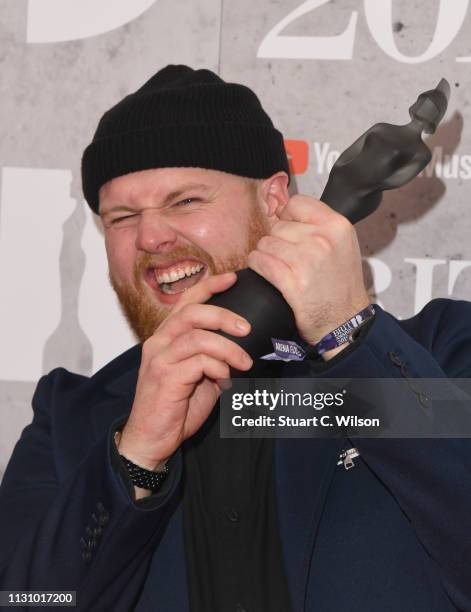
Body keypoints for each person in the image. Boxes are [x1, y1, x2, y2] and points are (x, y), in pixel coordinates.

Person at [0, 65, 470, 612]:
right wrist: (136, 457)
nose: (150, 236)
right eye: (122, 216)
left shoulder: (438, 355)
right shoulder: (71, 417)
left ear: (274, 203)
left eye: (185, 202)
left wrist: (351, 341)